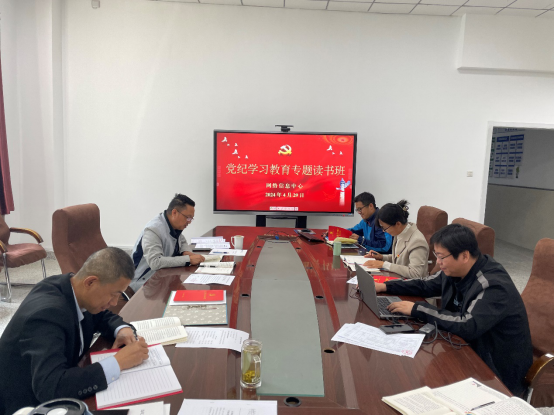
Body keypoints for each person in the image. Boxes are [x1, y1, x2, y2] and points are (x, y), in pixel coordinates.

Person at [376, 224, 533, 396]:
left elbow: (467, 325)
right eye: (436, 255)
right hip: (466, 348)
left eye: (441, 256)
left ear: (464, 255)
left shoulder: (492, 285)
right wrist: (386, 286)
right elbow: (425, 285)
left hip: (496, 370)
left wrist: (417, 308)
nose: (438, 262)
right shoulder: (454, 270)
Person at [0, 248, 150, 415]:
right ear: (90, 282)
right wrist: (118, 362)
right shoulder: (46, 315)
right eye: (113, 295)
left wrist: (122, 329)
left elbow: (102, 316)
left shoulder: (76, 289)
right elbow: (51, 387)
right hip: (25, 405)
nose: (115, 302)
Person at [131, 194, 205, 291]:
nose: (189, 222)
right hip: (143, 286)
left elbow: (181, 240)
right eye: (188, 217)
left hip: (162, 280)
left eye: (191, 219)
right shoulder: (153, 229)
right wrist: (188, 259)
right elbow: (155, 262)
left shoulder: (172, 225)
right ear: (174, 212)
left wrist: (185, 251)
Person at [363, 200, 429, 279]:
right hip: (400, 279)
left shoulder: (417, 241)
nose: (384, 231)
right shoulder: (400, 231)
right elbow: (399, 257)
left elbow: (415, 273)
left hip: (413, 284)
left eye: (385, 228)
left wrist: (384, 264)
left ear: (398, 224)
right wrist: (382, 257)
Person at [324, 192, 393, 254]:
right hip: (370, 255)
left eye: (360, 209)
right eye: (357, 210)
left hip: (382, 259)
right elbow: (352, 231)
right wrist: (334, 232)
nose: (359, 212)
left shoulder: (382, 220)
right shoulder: (365, 221)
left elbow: (384, 246)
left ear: (371, 206)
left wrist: (362, 241)